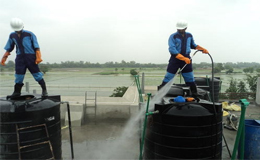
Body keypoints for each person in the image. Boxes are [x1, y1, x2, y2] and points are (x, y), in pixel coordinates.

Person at [159, 20, 209, 96]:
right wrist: (182, 58)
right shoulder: (173, 36)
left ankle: (194, 94)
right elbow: (172, 49)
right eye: (179, 29)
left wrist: (201, 48)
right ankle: (160, 93)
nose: (180, 30)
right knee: (169, 76)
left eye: (181, 29)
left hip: (187, 59)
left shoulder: (189, 35)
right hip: (175, 59)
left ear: (186, 28)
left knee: (189, 77)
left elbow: (193, 45)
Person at [1, 18, 48, 98]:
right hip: (20, 58)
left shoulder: (29, 34)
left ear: (23, 26)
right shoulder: (12, 35)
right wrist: (5, 56)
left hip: (30, 57)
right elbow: (10, 46)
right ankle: (16, 92)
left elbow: (36, 46)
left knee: (37, 74)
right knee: (19, 76)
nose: (18, 31)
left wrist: (38, 56)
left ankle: (44, 90)